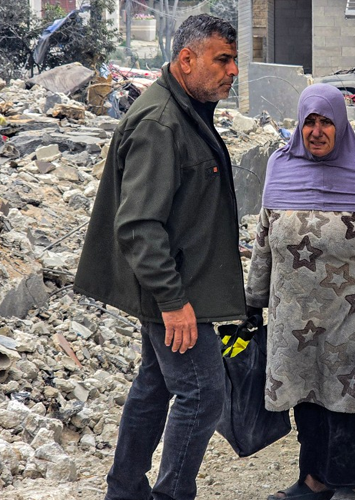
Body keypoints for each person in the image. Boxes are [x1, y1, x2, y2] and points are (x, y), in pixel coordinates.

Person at [73, 14, 245, 500]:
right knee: (203, 394)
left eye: (234, 61)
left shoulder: (186, 109)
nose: (233, 71)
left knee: (154, 385)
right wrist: (172, 301)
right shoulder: (161, 122)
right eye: (223, 60)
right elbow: (139, 225)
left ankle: (124, 490)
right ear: (187, 59)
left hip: (176, 283)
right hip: (173, 291)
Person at [245, 84, 355, 500]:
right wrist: (252, 300)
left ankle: (344, 485)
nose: (317, 131)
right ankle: (312, 480)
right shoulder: (280, 167)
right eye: (310, 122)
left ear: (341, 125)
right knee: (304, 395)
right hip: (294, 313)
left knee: (345, 397)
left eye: (326, 122)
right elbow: (263, 240)